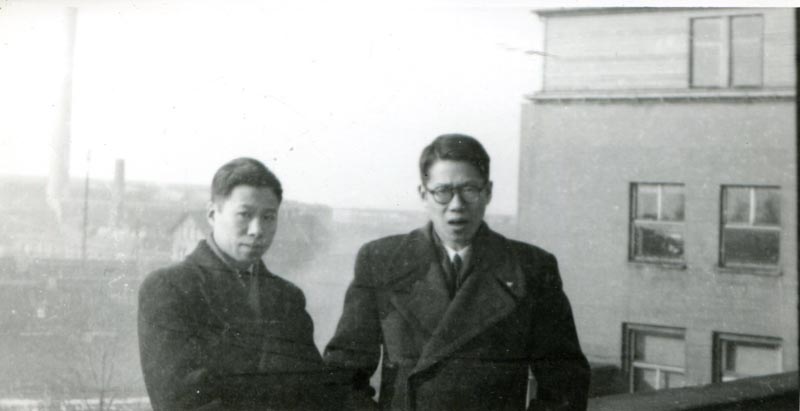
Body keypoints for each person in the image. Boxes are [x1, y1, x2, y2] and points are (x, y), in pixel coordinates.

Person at [324, 134, 590, 410]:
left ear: (488, 192)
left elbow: (566, 382)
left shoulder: (531, 268)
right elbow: (342, 376)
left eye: (469, 190)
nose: (456, 205)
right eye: (443, 191)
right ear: (423, 195)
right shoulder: (381, 261)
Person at [138, 157, 341, 410]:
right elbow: (180, 401)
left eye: (268, 217)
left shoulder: (287, 297)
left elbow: (314, 391)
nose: (257, 230)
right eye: (245, 214)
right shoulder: (170, 288)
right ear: (212, 214)